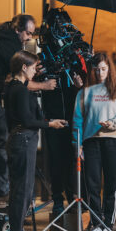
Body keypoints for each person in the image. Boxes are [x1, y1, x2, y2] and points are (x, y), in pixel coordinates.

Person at [0, 15, 56, 203]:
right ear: (17, 29)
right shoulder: (10, 44)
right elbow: (19, 81)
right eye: (28, 33)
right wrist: (44, 85)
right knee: (1, 145)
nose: (29, 38)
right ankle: (2, 192)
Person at [4, 51, 67, 231]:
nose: (34, 72)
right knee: (23, 189)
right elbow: (27, 119)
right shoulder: (21, 90)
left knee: (19, 188)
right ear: (24, 67)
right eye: (32, 68)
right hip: (23, 140)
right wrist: (50, 124)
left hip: (18, 139)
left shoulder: (12, 87)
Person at [72, 52, 116, 231]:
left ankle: (108, 225)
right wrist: (77, 145)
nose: (100, 73)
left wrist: (112, 123)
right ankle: (97, 223)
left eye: (104, 69)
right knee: (92, 184)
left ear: (109, 69)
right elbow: (77, 120)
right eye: (96, 69)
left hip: (113, 140)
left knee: (112, 184)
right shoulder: (84, 92)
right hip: (91, 142)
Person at [41, 70, 84, 214]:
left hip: (73, 123)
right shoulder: (45, 70)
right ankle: (58, 200)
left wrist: (79, 87)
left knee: (72, 163)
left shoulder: (73, 68)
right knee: (56, 163)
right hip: (53, 122)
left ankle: (73, 200)